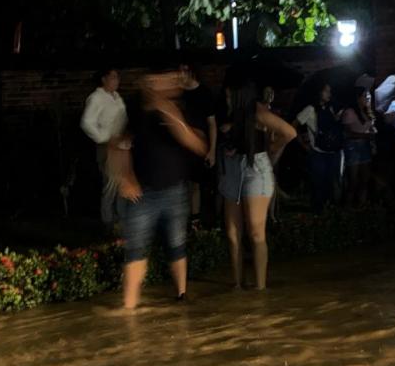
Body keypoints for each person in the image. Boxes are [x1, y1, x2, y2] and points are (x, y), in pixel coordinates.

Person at [110, 71, 209, 310]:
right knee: (135, 249)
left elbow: (198, 145)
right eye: (151, 81)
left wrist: (168, 112)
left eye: (163, 80)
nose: (156, 85)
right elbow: (119, 144)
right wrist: (125, 177)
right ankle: (129, 307)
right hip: (143, 192)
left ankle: (181, 295)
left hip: (174, 191)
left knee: (176, 245)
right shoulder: (135, 110)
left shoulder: (183, 108)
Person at [219, 83, 297, 290]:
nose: (227, 99)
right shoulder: (228, 112)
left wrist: (272, 147)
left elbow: (289, 132)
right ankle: (237, 284)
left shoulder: (258, 112)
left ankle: (260, 287)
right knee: (233, 233)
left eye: (229, 95)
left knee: (255, 232)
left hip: (255, 168)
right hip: (233, 169)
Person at [80, 67, 127, 231]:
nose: (117, 80)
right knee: (110, 185)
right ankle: (108, 221)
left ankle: (121, 219)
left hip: (121, 146)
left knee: (122, 183)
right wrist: (104, 138)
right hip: (107, 147)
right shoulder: (96, 98)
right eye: (113, 77)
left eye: (117, 77)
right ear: (104, 79)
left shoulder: (116, 97)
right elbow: (87, 122)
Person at [177, 63, 217, 224]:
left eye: (183, 71)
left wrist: (212, 150)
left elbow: (211, 123)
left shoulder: (204, 93)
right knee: (181, 184)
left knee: (195, 184)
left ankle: (195, 220)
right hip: (179, 146)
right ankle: (181, 219)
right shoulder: (177, 93)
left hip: (197, 145)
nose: (180, 74)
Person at [295, 83, 344, 212]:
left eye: (330, 91)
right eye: (326, 91)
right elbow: (293, 125)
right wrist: (304, 145)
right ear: (318, 93)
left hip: (333, 151)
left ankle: (329, 209)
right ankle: (317, 211)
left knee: (331, 183)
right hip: (318, 153)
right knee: (318, 183)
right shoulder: (310, 109)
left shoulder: (331, 107)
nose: (329, 94)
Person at [341, 88, 377, 207]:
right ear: (358, 98)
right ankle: (348, 209)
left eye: (369, 96)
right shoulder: (350, 112)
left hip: (365, 146)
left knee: (365, 180)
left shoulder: (366, 111)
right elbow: (346, 133)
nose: (367, 98)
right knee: (353, 182)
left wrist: (371, 131)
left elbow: (368, 128)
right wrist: (367, 135)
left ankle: (362, 207)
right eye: (365, 96)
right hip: (353, 147)